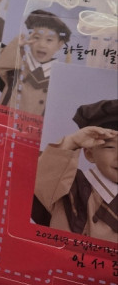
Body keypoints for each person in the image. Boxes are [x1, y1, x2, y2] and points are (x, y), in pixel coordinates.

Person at [33, 99, 117, 243]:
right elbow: (41, 177)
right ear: (89, 154)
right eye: (110, 147)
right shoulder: (69, 186)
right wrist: (72, 142)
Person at [0, 9, 71, 116]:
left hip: (34, 126)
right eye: (36, 37)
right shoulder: (18, 64)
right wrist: (18, 45)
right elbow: (1, 64)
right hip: (4, 121)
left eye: (49, 40)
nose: (42, 44)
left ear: (59, 44)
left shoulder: (59, 77)